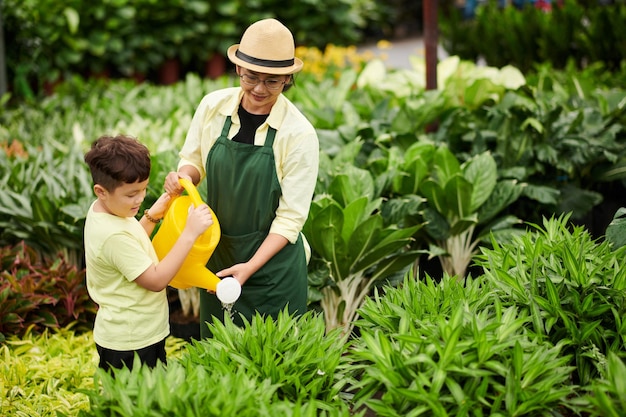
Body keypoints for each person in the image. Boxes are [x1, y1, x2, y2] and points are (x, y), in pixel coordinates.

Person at [164, 18, 319, 336]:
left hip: (273, 271)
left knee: (277, 362)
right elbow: (192, 162)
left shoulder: (298, 134)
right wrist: (182, 178)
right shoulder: (212, 107)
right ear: (238, 70)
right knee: (219, 360)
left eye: (272, 81)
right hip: (217, 260)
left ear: (287, 78)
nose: (260, 89)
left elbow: (290, 220)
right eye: (252, 77)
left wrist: (249, 268)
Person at [84, 134, 213, 372]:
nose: (140, 198)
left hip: (138, 332)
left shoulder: (109, 212)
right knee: (133, 405)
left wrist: (153, 215)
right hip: (130, 341)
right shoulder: (112, 235)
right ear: (101, 191)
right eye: (131, 194)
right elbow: (155, 280)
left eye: (143, 189)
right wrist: (189, 234)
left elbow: (133, 244)